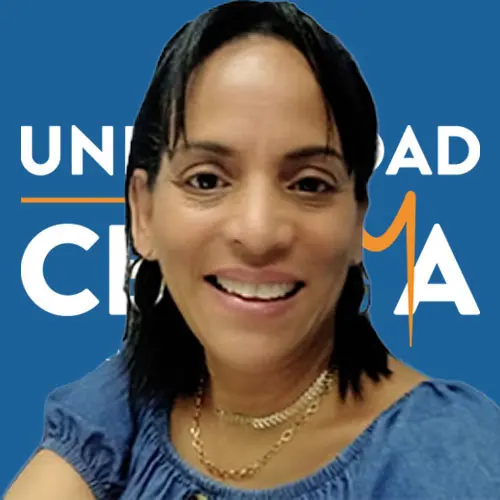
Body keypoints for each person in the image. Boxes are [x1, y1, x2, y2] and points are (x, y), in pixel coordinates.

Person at [6, 2, 500, 499]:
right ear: (144, 214)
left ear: (357, 223)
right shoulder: (129, 400)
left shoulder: (448, 460)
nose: (258, 233)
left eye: (309, 184)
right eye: (206, 179)